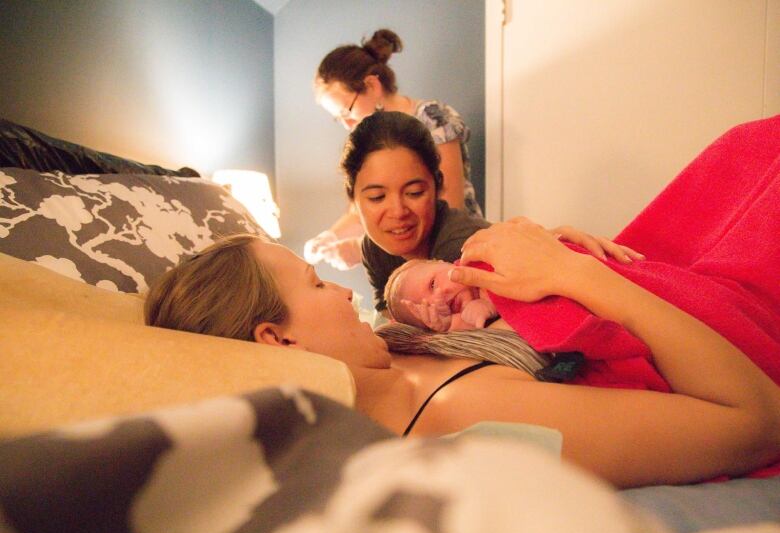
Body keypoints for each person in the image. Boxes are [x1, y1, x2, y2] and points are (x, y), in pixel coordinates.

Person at [145, 116, 780, 489]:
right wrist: (571, 274)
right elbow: (755, 423)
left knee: (747, 147)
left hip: (655, 280)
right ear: (276, 341)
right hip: (721, 315)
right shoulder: (463, 412)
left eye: (414, 191)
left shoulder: (392, 352)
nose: (339, 291)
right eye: (315, 285)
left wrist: (552, 257)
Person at [337, 111, 638, 313]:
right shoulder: (374, 248)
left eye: (414, 193)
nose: (397, 211)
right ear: (353, 199)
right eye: (377, 197)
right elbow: (389, 314)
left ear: (437, 187)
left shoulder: (464, 248)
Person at [305, 29, 483, 271]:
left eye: (347, 112)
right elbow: (363, 209)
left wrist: (361, 249)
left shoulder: (433, 120)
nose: (347, 124)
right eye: (339, 119)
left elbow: (449, 206)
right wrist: (330, 237)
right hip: (406, 268)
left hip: (454, 256)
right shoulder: (366, 141)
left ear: (371, 85)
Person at [384, 258, 499, 331]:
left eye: (432, 284)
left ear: (443, 262)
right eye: (428, 308)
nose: (438, 301)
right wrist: (452, 325)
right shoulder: (458, 324)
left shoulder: (477, 259)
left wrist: (489, 301)